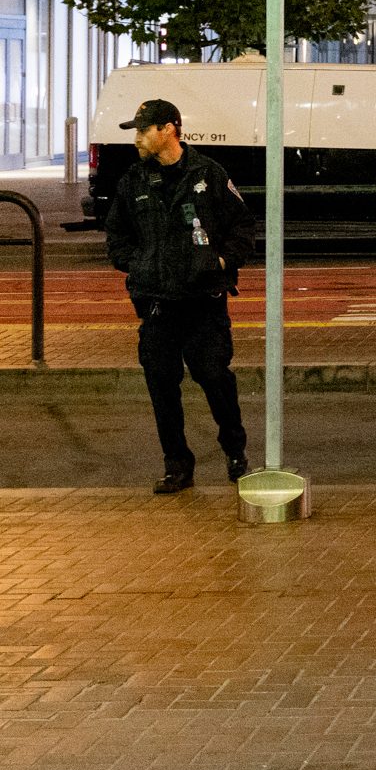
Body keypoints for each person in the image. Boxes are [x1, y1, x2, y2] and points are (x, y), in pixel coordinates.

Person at [103, 97, 254, 494]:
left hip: (203, 302)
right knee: (161, 386)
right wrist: (136, 264)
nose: (137, 139)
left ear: (168, 129)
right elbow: (116, 235)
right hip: (156, 304)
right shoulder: (134, 181)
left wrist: (221, 263)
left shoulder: (208, 173)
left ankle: (235, 451)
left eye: (142, 130)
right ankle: (176, 464)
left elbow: (242, 226)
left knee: (214, 378)